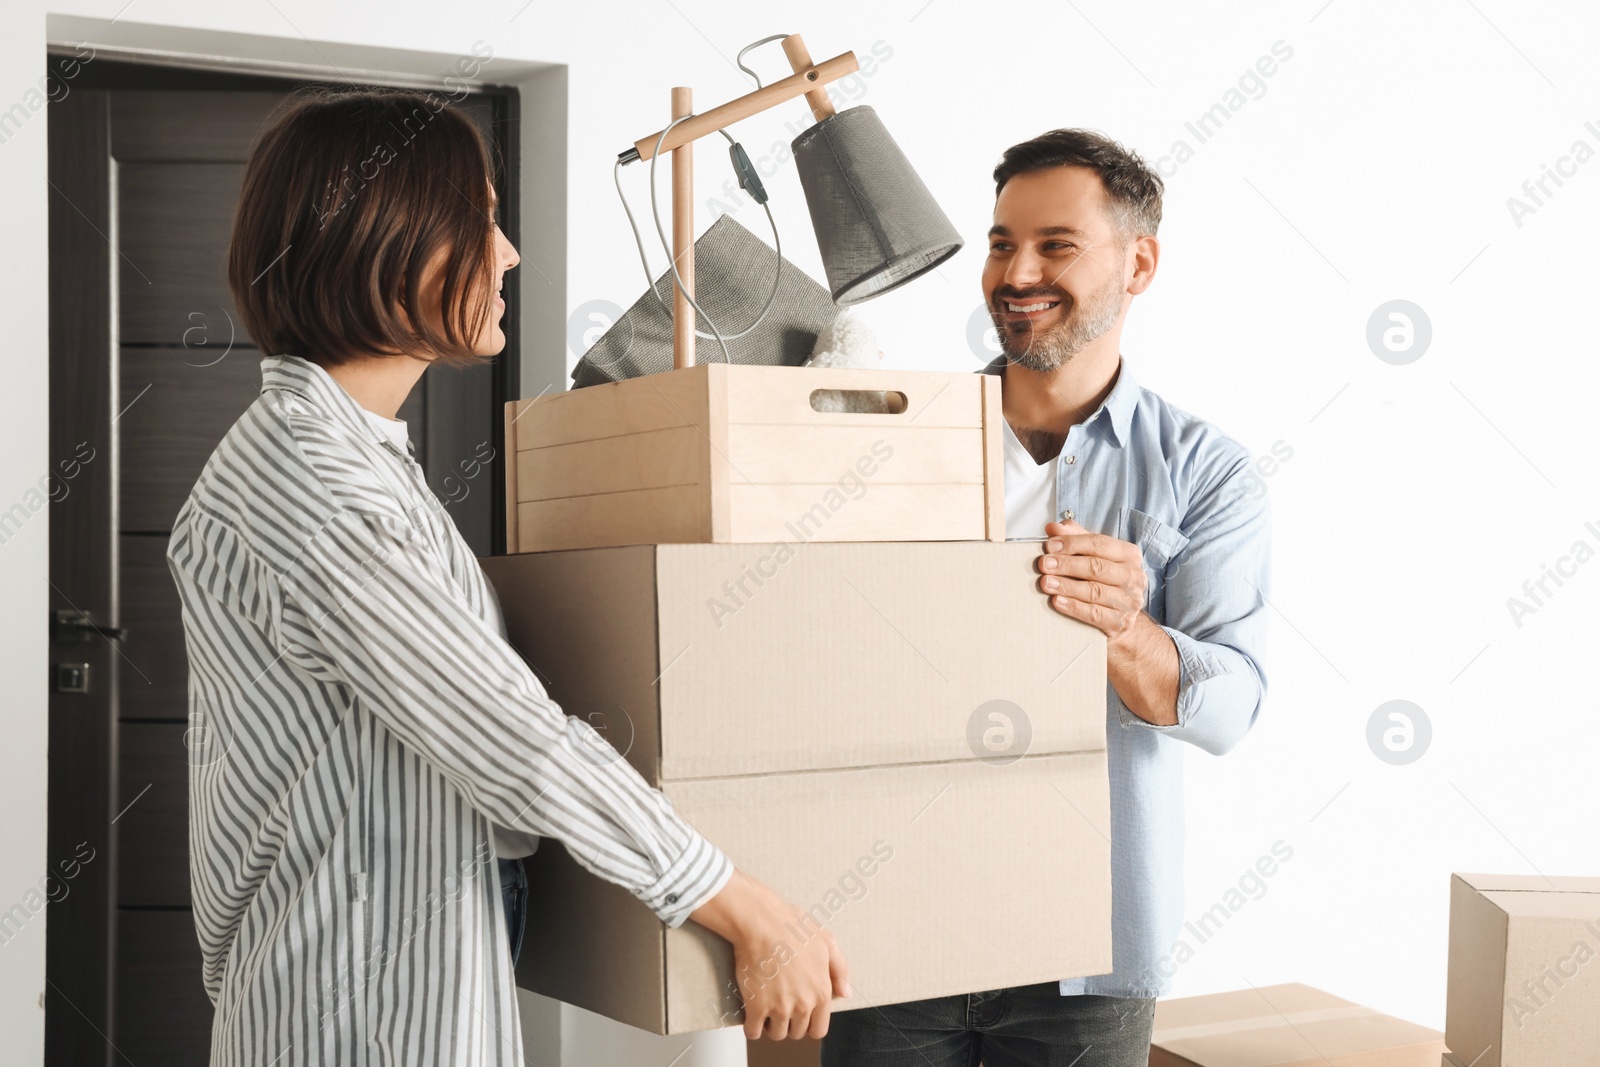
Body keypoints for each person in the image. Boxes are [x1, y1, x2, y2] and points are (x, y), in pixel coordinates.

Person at [166, 89, 846, 1067]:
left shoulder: (345, 458)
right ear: (388, 240)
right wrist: (749, 906)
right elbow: (512, 741)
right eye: (480, 220)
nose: (508, 253)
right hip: (354, 1011)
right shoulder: (312, 484)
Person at [821, 129, 1271, 1066]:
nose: (1016, 272)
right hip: (900, 927)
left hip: (1089, 958)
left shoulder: (1207, 472)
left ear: (1137, 262)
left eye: (1055, 244)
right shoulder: (904, 446)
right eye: (999, 243)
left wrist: (1123, 629)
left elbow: (1231, 707)